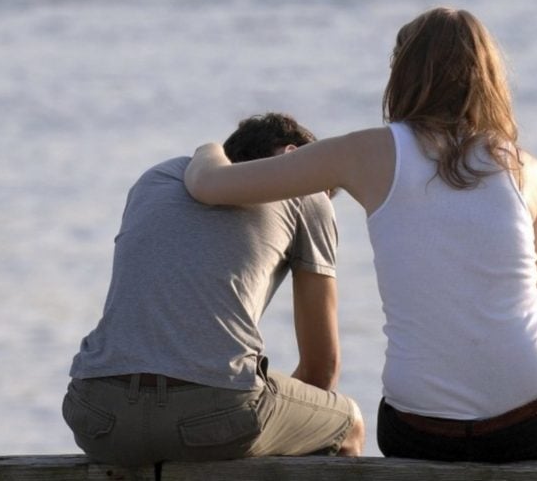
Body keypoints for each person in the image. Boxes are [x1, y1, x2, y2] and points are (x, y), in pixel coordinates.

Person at [183, 7, 537, 462]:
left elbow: (209, 186)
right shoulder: (527, 170)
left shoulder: (366, 152)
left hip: (419, 427)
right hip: (532, 421)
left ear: (402, 74)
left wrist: (208, 149)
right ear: (488, 76)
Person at [63, 113, 365, 467]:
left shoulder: (156, 179)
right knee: (348, 426)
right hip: (213, 413)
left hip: (96, 412)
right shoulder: (307, 190)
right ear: (292, 155)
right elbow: (321, 370)